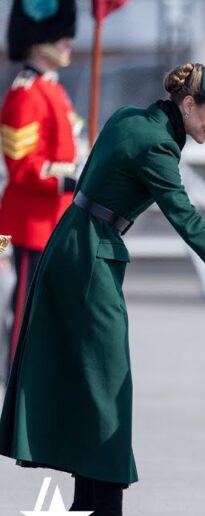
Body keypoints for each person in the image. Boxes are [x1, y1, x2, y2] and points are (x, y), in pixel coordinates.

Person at [0, 57, 205, 516]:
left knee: (91, 384)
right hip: (89, 259)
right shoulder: (156, 145)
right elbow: (186, 219)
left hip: (73, 246)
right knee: (109, 386)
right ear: (187, 104)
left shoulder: (130, 118)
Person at [0, 0, 81, 365]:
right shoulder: (25, 93)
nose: (67, 41)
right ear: (37, 39)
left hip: (51, 222)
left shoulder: (54, 91)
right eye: (59, 34)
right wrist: (70, 179)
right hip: (27, 225)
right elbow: (22, 165)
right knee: (23, 316)